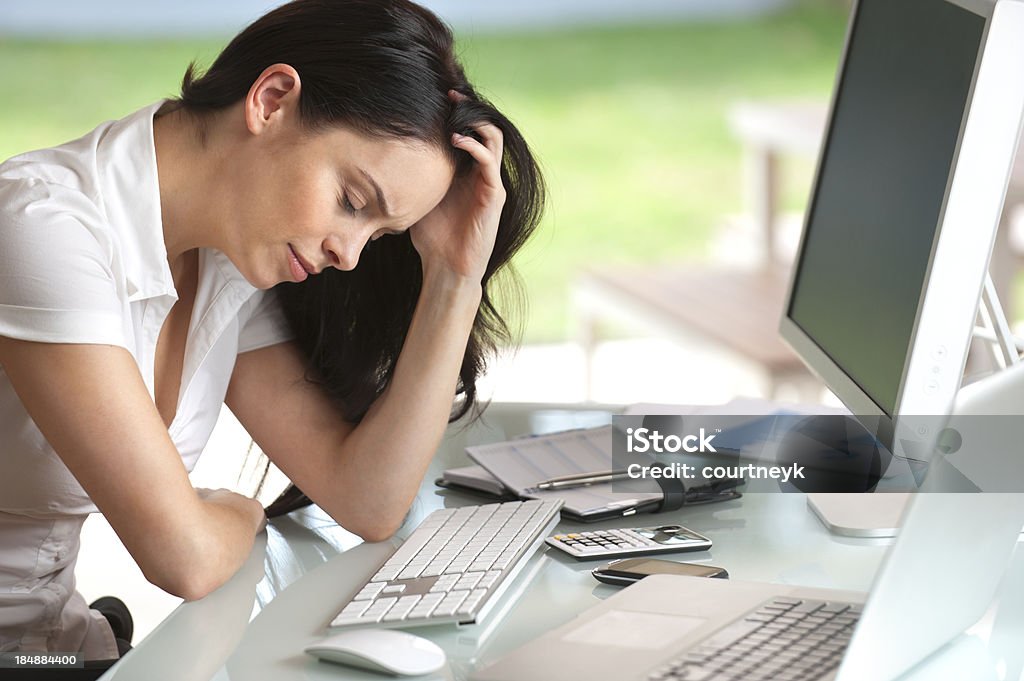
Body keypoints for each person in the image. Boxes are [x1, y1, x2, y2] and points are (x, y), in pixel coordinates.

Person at [0, 0, 544, 665]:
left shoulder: (229, 262)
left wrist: (455, 278)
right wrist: (239, 511)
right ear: (272, 99)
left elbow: (367, 498)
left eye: (382, 236)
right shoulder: (40, 231)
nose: (349, 252)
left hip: (53, 651)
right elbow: (186, 558)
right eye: (351, 201)